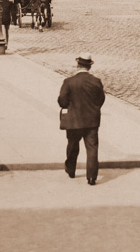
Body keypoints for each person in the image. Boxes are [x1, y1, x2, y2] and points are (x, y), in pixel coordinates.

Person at [58, 53, 106, 186]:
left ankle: (71, 169)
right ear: (89, 67)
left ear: (78, 65)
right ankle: (91, 177)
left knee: (73, 145)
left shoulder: (69, 82)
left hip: (74, 120)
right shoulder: (96, 81)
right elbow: (101, 99)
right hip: (92, 121)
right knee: (92, 149)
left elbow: (62, 101)